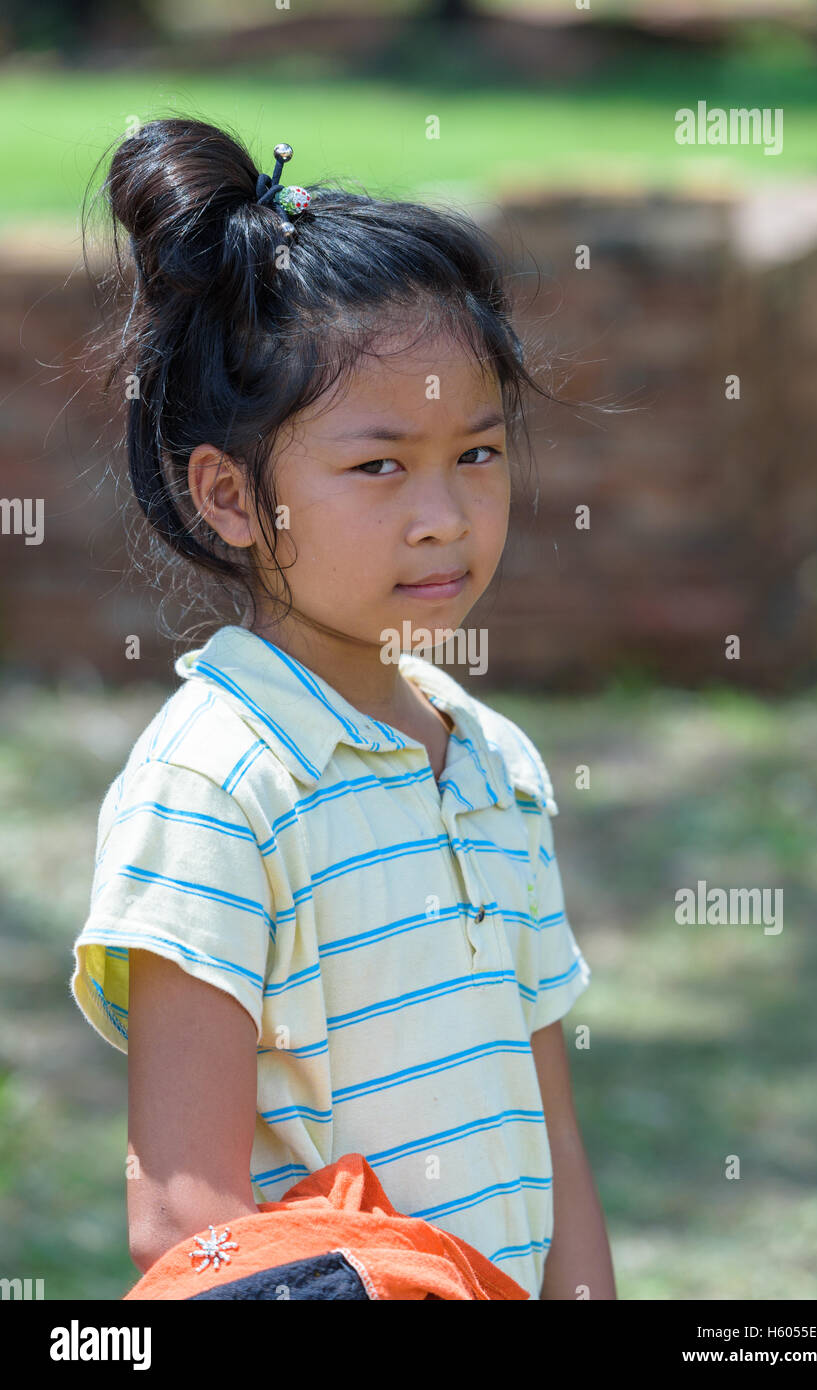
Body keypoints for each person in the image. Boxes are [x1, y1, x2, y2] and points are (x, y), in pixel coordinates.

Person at [70, 117, 616, 1300]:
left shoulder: (499, 764)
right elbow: (183, 1225)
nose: (444, 516)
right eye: (380, 466)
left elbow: (553, 1147)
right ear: (229, 496)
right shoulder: (217, 787)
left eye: (476, 454)